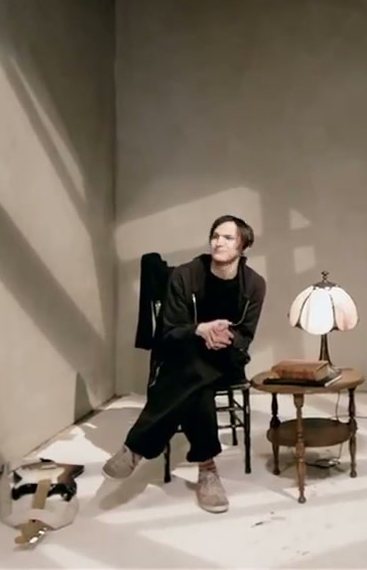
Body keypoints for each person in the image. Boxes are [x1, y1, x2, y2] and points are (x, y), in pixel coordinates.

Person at [102, 215, 267, 514]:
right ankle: (208, 468)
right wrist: (200, 330)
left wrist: (225, 337)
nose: (218, 242)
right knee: (197, 378)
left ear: (243, 245)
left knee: (194, 372)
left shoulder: (254, 284)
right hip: (183, 354)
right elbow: (169, 331)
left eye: (227, 237)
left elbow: (246, 334)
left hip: (226, 357)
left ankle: (137, 447)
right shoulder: (185, 275)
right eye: (215, 235)